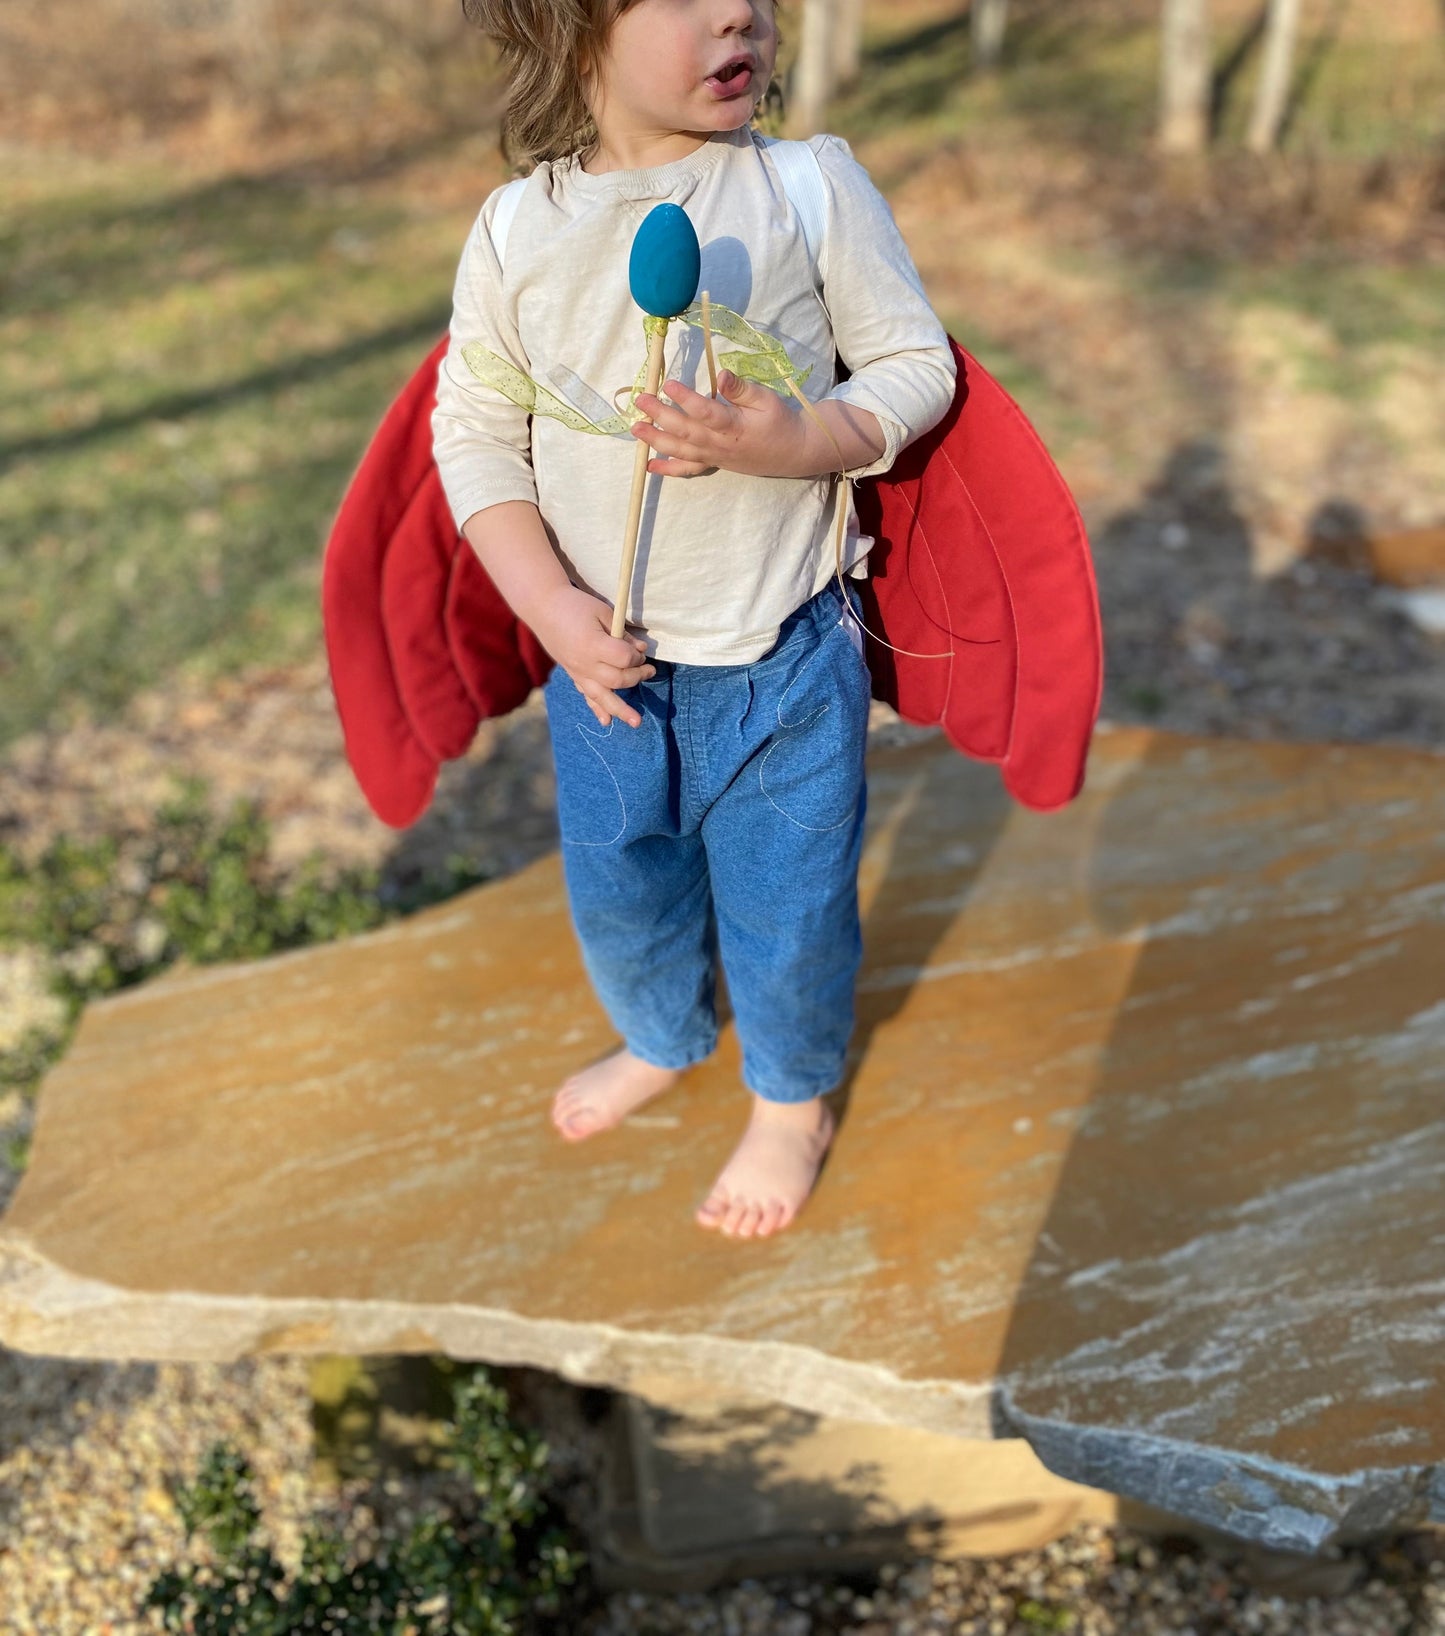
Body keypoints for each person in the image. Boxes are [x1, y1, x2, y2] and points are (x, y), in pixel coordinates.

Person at [432, 0, 956, 1241]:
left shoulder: (804, 189)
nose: (742, 13)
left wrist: (804, 437)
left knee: (790, 902)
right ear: (572, 30)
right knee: (621, 889)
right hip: (608, 670)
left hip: (782, 652)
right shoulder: (517, 232)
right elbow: (472, 434)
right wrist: (549, 606)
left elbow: (912, 365)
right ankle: (662, 1034)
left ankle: (790, 1094)